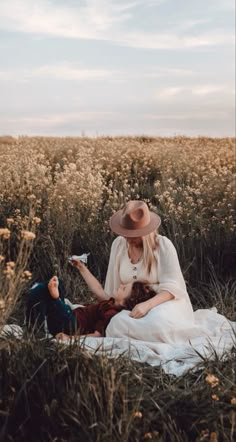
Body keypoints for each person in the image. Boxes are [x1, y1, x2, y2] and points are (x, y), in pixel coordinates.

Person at [104, 200, 195, 341]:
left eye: (133, 235)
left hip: (163, 303)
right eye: (125, 233)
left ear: (145, 232)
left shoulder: (163, 246)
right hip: (130, 304)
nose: (128, 238)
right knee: (116, 323)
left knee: (158, 321)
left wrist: (147, 305)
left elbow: (172, 289)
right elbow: (113, 285)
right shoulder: (119, 245)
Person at [26, 258, 156, 341]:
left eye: (124, 289)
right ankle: (53, 300)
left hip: (72, 325)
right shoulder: (111, 302)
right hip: (72, 316)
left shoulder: (111, 314)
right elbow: (97, 289)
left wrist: (70, 338)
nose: (121, 285)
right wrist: (81, 267)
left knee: (41, 291)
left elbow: (98, 336)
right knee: (58, 283)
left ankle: (35, 330)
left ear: (124, 302)